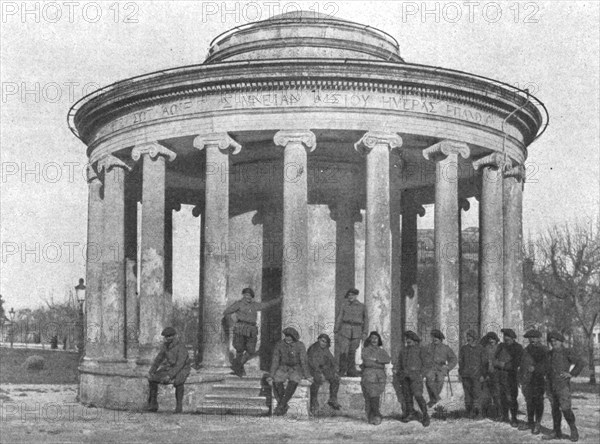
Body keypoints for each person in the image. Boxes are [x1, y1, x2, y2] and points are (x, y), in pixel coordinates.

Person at [223, 287, 282, 377]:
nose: (248, 297)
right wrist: (232, 322)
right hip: (240, 328)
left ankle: (237, 366)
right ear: (243, 295)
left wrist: (278, 299)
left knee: (251, 350)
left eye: (250, 296)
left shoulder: (254, 305)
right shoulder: (238, 304)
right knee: (239, 349)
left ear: (252, 297)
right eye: (246, 295)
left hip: (251, 329)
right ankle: (239, 369)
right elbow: (226, 312)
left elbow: (267, 305)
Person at [542, 331, 585, 442]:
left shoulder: (567, 352)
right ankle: (557, 431)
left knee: (566, 409)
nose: (553, 343)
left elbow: (580, 362)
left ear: (561, 341)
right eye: (551, 341)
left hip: (562, 386)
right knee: (554, 409)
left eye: (555, 341)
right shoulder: (549, 354)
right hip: (551, 386)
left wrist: (571, 374)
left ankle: (573, 430)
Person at [267, 327, 312, 416]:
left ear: (294, 337)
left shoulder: (300, 345)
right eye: (286, 336)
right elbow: (275, 360)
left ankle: (281, 405)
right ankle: (283, 405)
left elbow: (303, 361)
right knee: (277, 380)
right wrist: (271, 375)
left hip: (296, 368)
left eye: (290, 336)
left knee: (294, 381)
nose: (287, 338)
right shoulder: (279, 344)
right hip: (283, 367)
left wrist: (307, 375)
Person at [146, 327, 191, 413]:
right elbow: (158, 359)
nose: (167, 338)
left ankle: (179, 406)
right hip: (171, 367)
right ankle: (153, 404)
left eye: (169, 336)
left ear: (174, 336)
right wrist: (151, 371)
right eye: (166, 336)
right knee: (152, 378)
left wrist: (169, 375)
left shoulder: (181, 347)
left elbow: (179, 364)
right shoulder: (165, 347)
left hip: (183, 368)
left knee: (178, 381)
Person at [395, 330, 431, 427]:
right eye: (406, 338)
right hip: (404, 376)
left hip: (416, 376)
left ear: (415, 340)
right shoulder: (403, 350)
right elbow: (399, 363)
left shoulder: (421, 349)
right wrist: (398, 372)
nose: (407, 340)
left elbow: (426, 364)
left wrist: (422, 374)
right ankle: (410, 414)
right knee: (407, 396)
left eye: (410, 338)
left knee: (418, 395)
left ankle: (425, 415)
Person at [519, 329, 548, 434]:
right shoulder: (526, 350)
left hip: (539, 380)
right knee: (529, 401)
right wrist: (520, 377)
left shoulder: (544, 350)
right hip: (527, 380)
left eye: (534, 337)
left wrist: (536, 368)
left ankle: (537, 423)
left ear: (539, 338)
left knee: (538, 401)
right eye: (530, 338)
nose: (532, 340)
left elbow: (547, 365)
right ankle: (530, 422)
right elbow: (522, 365)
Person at [334, 288, 368, 377]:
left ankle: (351, 371)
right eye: (349, 295)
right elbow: (340, 317)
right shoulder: (344, 305)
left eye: (352, 295)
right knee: (343, 351)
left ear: (356, 296)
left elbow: (366, 320)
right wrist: (336, 330)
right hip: (345, 329)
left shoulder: (362, 306)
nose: (350, 297)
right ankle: (342, 370)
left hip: (357, 330)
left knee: (352, 351)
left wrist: (364, 332)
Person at [493, 328, 523, 427]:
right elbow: (494, 359)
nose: (506, 340)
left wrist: (503, 365)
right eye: (505, 338)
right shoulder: (501, 346)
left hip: (511, 376)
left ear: (513, 338)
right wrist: (497, 364)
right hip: (499, 375)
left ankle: (514, 418)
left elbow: (517, 362)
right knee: (501, 396)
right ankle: (503, 415)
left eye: (508, 338)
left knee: (511, 398)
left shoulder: (518, 347)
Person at [360, 331, 391, 425]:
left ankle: (372, 416)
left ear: (379, 340)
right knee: (372, 392)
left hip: (380, 375)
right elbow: (367, 362)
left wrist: (376, 359)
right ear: (369, 339)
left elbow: (387, 359)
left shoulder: (381, 351)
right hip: (369, 373)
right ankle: (377, 414)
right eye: (372, 338)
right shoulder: (365, 350)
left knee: (376, 393)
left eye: (376, 338)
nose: (374, 340)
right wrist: (379, 362)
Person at [307, 333, 342, 416]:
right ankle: (314, 403)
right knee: (317, 380)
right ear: (318, 340)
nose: (323, 343)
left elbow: (332, 360)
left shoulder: (326, 349)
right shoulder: (313, 348)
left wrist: (335, 371)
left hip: (324, 369)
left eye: (325, 342)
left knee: (335, 379)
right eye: (322, 341)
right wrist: (320, 373)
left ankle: (333, 399)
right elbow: (313, 363)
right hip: (313, 370)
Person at [425, 329, 457, 407]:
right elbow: (423, 357)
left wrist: (448, 367)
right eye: (434, 337)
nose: (435, 339)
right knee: (429, 378)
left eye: (437, 338)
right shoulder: (428, 347)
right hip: (431, 367)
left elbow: (454, 359)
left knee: (440, 380)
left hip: (441, 368)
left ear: (441, 339)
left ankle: (433, 400)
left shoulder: (446, 348)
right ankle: (437, 398)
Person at [458, 329, 485, 419]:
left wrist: (482, 375)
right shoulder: (464, 349)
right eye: (467, 336)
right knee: (467, 395)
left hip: (477, 376)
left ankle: (479, 413)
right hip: (466, 375)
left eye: (470, 336)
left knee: (477, 395)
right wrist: (460, 373)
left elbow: (484, 363)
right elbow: (461, 362)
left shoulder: (480, 348)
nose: (468, 338)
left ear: (474, 338)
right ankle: (470, 412)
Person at [480, 332, 502, 419]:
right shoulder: (485, 349)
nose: (491, 340)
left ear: (496, 340)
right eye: (489, 339)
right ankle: (485, 413)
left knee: (497, 395)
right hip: (487, 374)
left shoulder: (500, 348)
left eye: (493, 339)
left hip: (497, 374)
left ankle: (500, 413)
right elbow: (483, 362)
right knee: (486, 394)